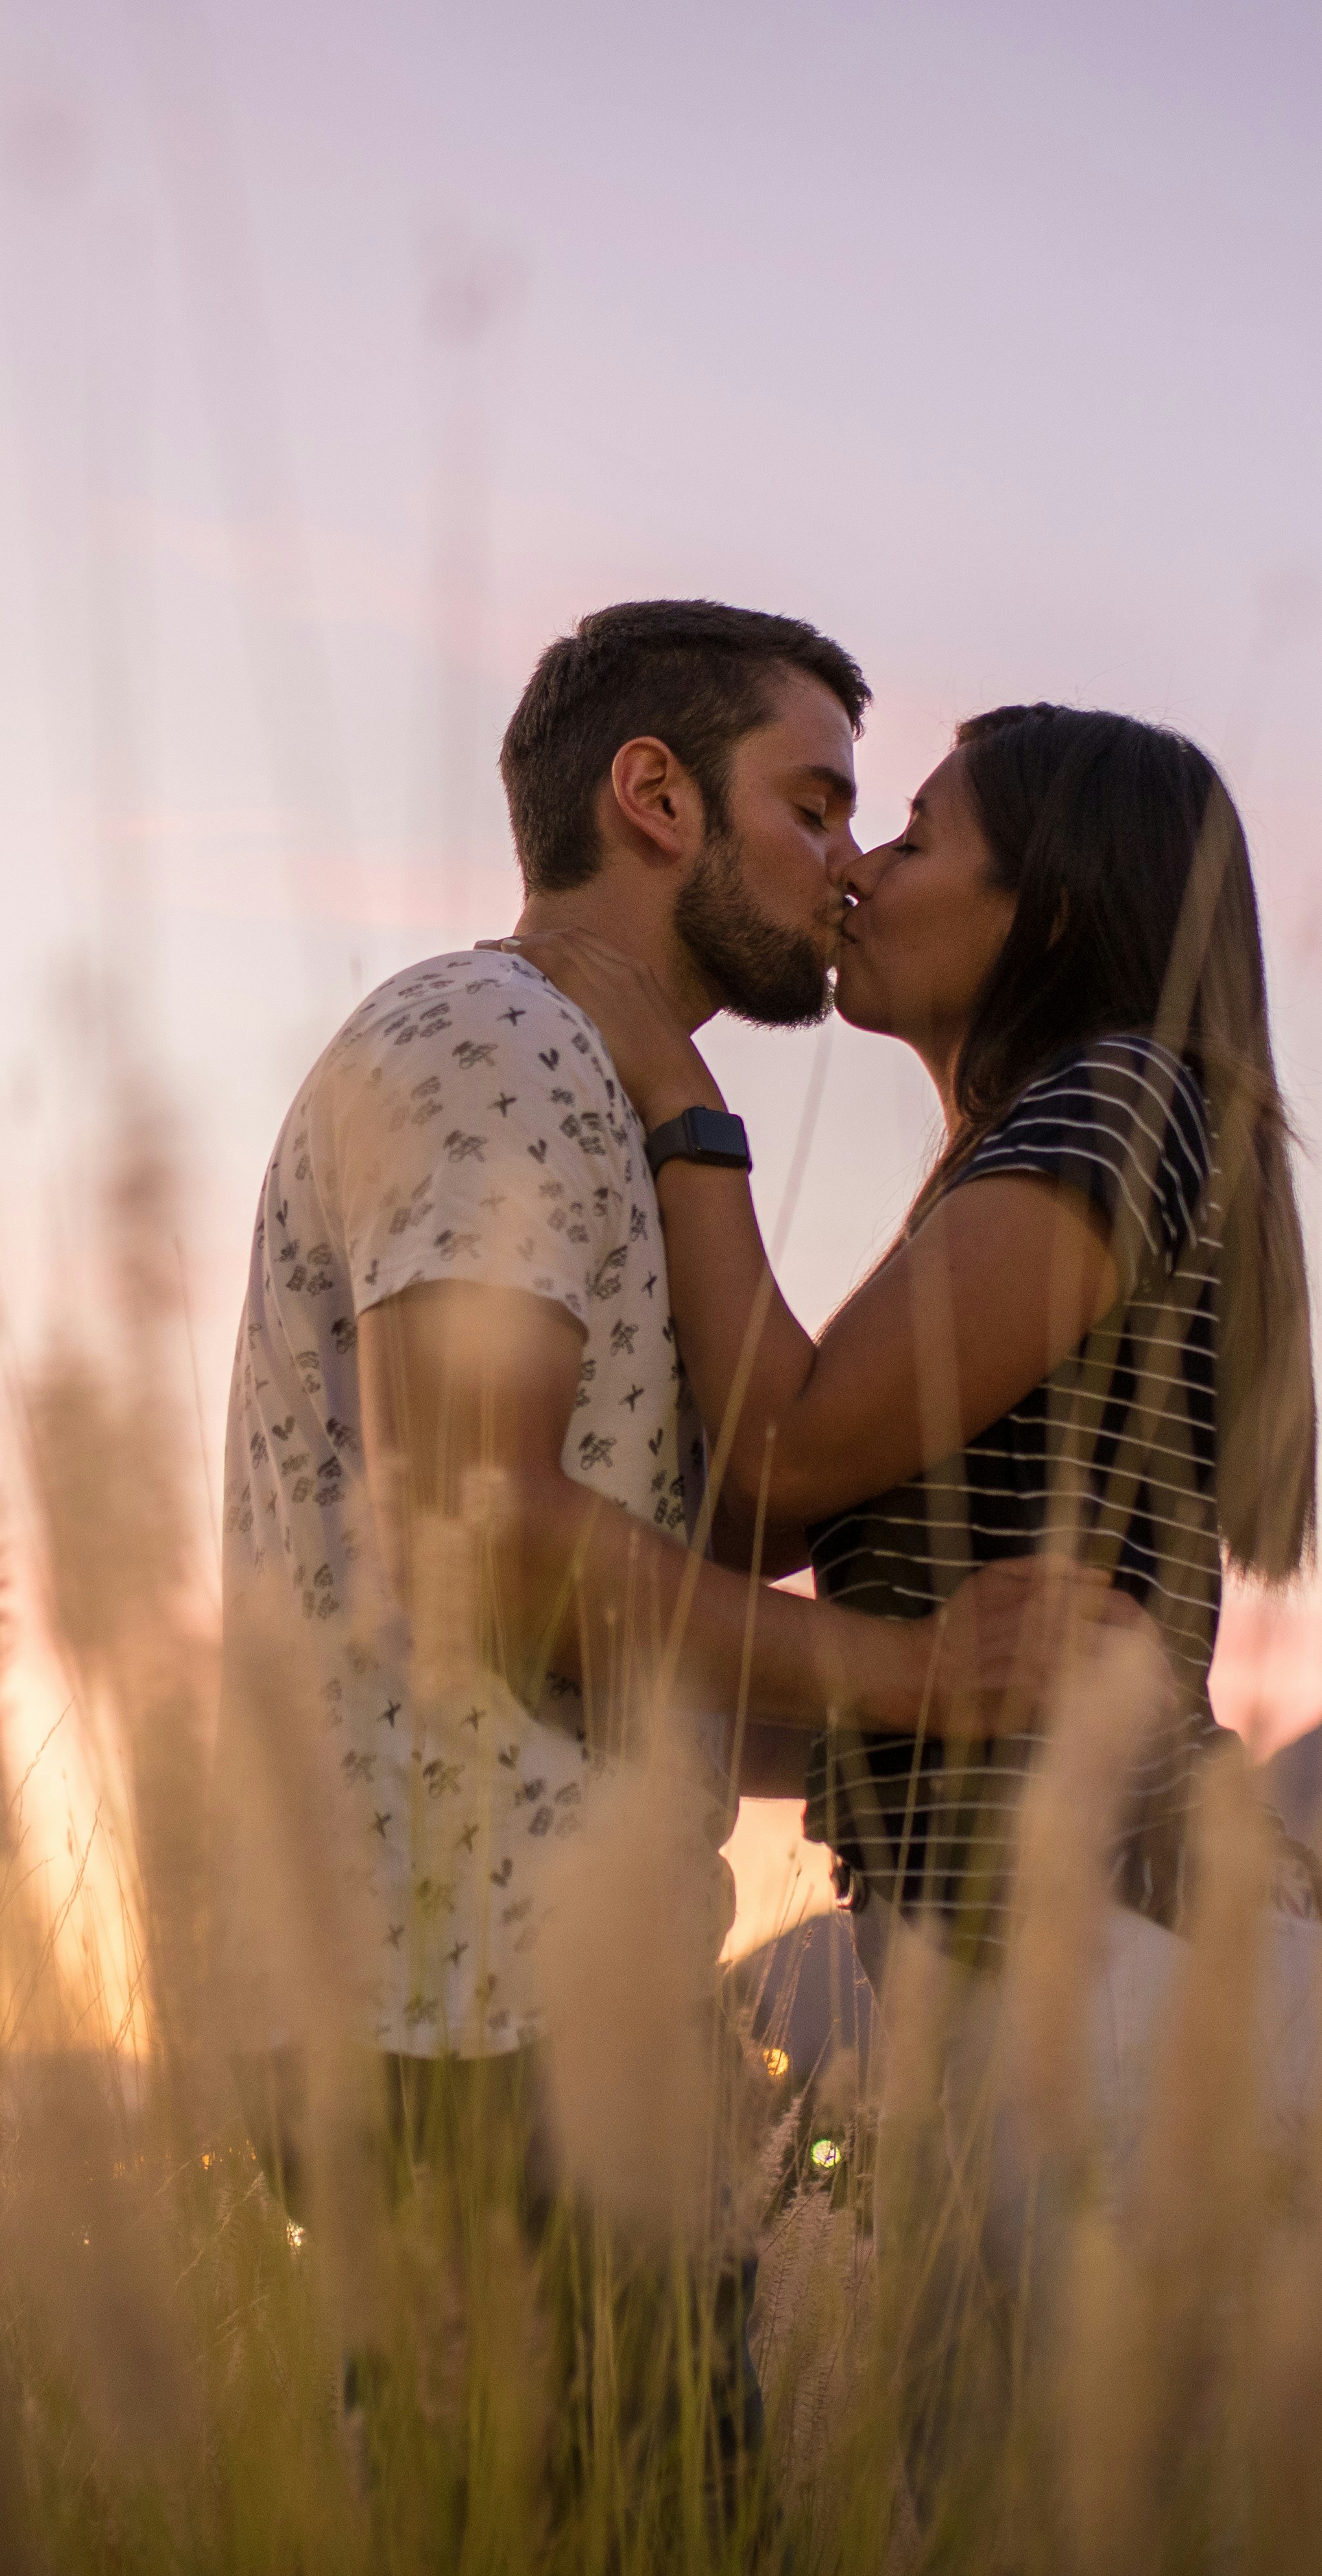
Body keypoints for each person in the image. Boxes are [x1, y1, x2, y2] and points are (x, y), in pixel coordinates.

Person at [211, 605, 1136, 2529]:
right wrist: (915, 1677)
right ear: (654, 796)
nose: (845, 863)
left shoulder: (596, 1095)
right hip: (466, 2035)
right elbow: (479, 1542)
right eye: (813, 803)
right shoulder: (492, 1041)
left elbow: (590, 1635)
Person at [499, 703, 1322, 2448]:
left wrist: (679, 1103)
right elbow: (784, 1534)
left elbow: (786, 1457)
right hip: (1035, 1974)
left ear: (1041, 910)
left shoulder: (1115, 1101)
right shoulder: (1036, 1151)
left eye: (920, 833)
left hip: (1107, 1978)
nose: (862, 866)